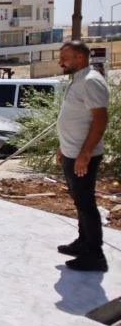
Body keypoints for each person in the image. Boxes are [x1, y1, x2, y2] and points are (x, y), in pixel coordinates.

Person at [56, 41, 109, 272]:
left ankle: (95, 255)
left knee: (86, 204)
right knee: (79, 202)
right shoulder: (78, 79)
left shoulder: (90, 81)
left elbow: (100, 120)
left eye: (64, 58)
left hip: (82, 155)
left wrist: (85, 153)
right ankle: (83, 242)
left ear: (79, 58)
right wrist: (62, 146)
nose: (60, 62)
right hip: (71, 152)